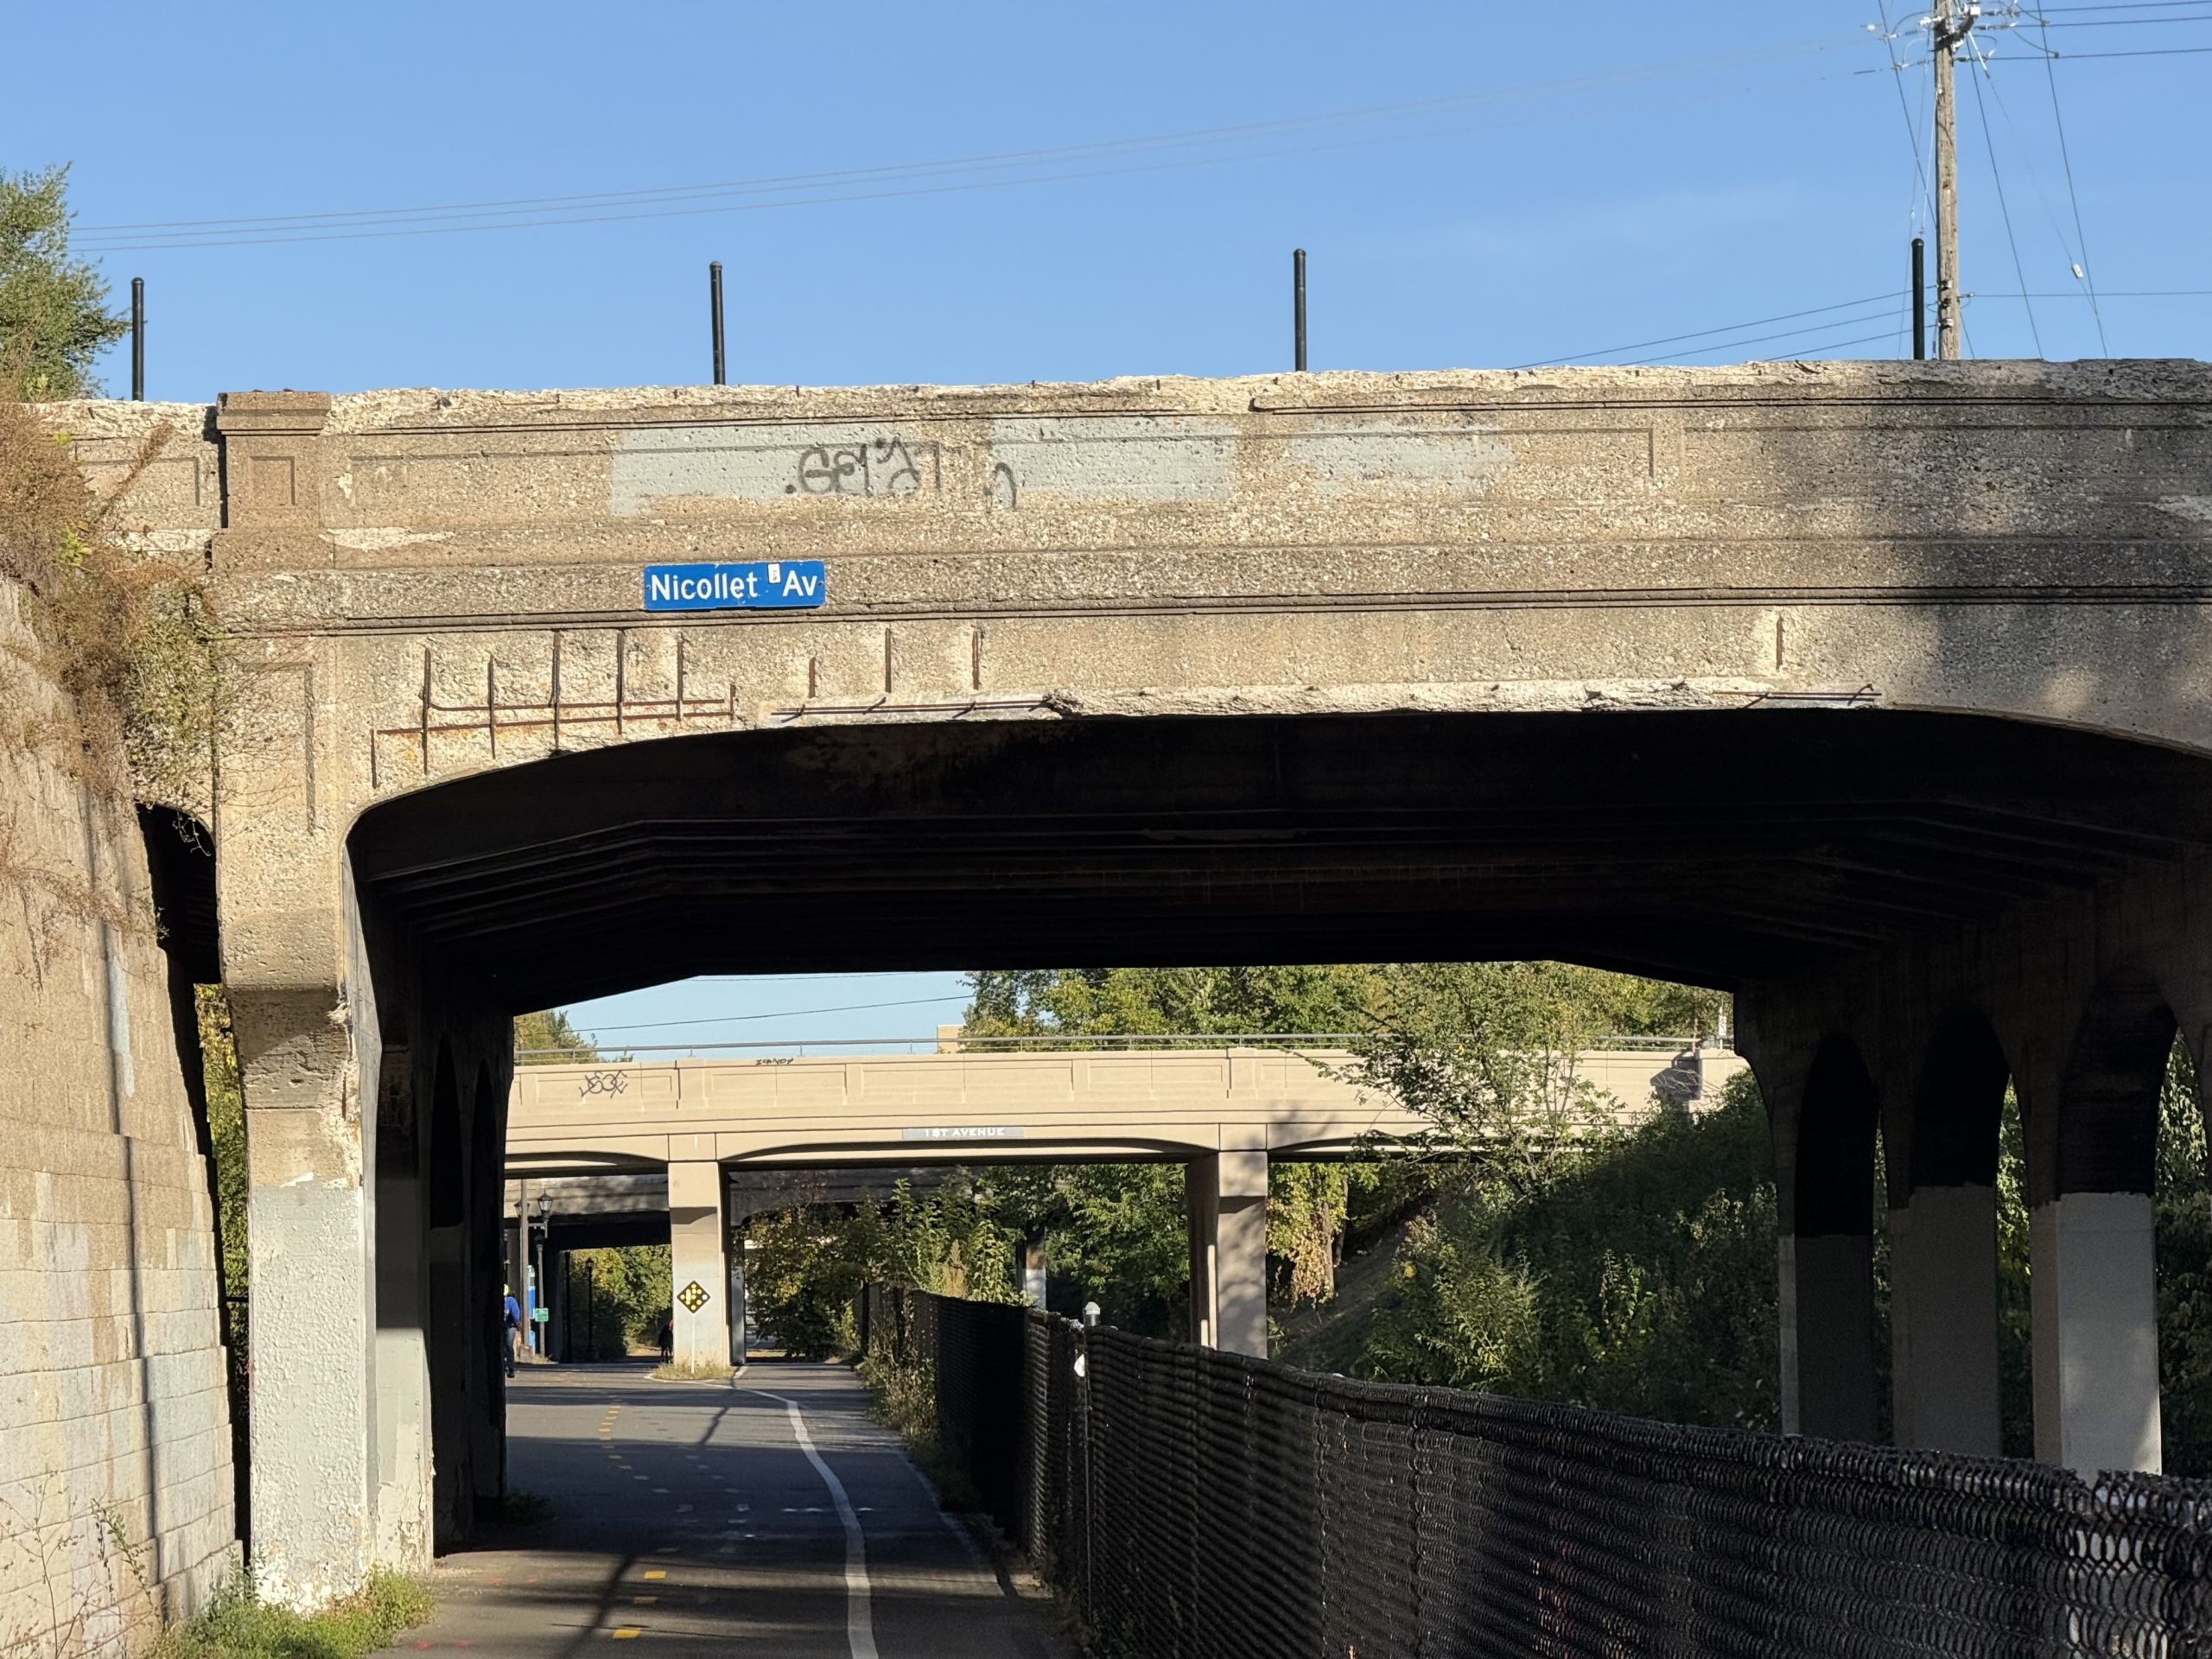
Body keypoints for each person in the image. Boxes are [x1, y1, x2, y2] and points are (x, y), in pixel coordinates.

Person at [503, 1284, 524, 1378]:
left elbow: (515, 1313)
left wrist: (517, 1322)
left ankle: (511, 1368)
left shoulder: (511, 1301)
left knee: (508, 1345)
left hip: (510, 1326)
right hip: (500, 1326)